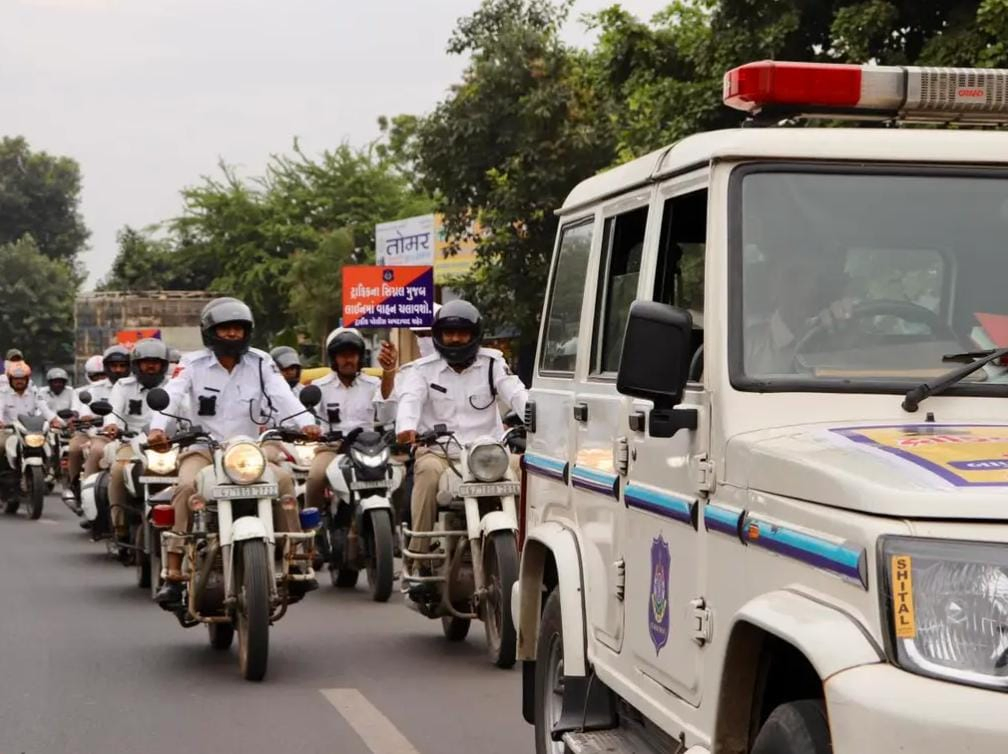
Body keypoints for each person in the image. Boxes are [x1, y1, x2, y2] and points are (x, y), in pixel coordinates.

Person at [147, 296, 321, 605]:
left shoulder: (261, 362)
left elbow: (283, 397)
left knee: (283, 481)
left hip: (248, 452)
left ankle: (296, 561)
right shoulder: (191, 364)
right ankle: (173, 573)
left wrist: (306, 424)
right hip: (203, 449)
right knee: (186, 486)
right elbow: (173, 395)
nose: (232, 335)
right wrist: (158, 429)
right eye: (225, 329)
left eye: (238, 329)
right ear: (210, 331)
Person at [395, 300, 528, 586]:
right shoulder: (422, 370)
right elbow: (410, 399)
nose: (455, 339)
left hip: (489, 455)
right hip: (442, 453)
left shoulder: (492, 363)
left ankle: (531, 549)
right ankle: (419, 562)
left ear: (474, 335)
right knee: (427, 473)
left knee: (527, 468)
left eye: (462, 333)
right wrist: (406, 428)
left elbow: (516, 392)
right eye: (448, 333)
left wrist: (537, 417)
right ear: (439, 336)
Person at [302, 328, 396, 511]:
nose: (348, 360)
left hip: (368, 448)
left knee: (396, 473)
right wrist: (311, 428)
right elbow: (308, 417)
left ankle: (398, 526)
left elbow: (387, 416)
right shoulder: (320, 387)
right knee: (315, 478)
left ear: (360, 357)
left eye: (352, 354)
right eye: (342, 355)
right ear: (334, 359)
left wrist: (389, 374)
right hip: (331, 448)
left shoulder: (374, 384)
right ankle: (312, 532)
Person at [101, 339, 172, 550]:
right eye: (145, 362)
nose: (150, 366)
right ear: (136, 365)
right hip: (131, 442)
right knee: (117, 469)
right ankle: (119, 526)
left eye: (155, 362)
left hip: (168, 446)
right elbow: (112, 411)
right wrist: (112, 425)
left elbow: (185, 411)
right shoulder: (123, 386)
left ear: (164, 365)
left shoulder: (173, 386)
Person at [63, 355, 110, 508]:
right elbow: (80, 412)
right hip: (89, 433)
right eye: (96, 376)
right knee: (74, 448)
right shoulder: (83, 392)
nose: (100, 379)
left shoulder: (120, 388)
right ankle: (75, 485)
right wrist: (83, 418)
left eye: (103, 374)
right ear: (89, 376)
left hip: (116, 436)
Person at [79, 346, 131, 482]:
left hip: (135, 438)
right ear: (107, 368)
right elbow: (86, 408)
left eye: (122, 366)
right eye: (114, 366)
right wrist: (87, 417)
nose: (118, 370)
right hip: (104, 436)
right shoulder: (95, 388)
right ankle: (88, 490)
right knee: (96, 450)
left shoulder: (135, 387)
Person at [0, 363, 60, 470]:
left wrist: (54, 420)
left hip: (32, 431)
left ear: (27, 379)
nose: (19, 381)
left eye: (22, 378)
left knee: (53, 442)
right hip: (9, 431)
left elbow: (43, 406)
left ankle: (52, 470)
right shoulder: (3, 393)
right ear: (10, 379)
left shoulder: (34, 391)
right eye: (16, 379)